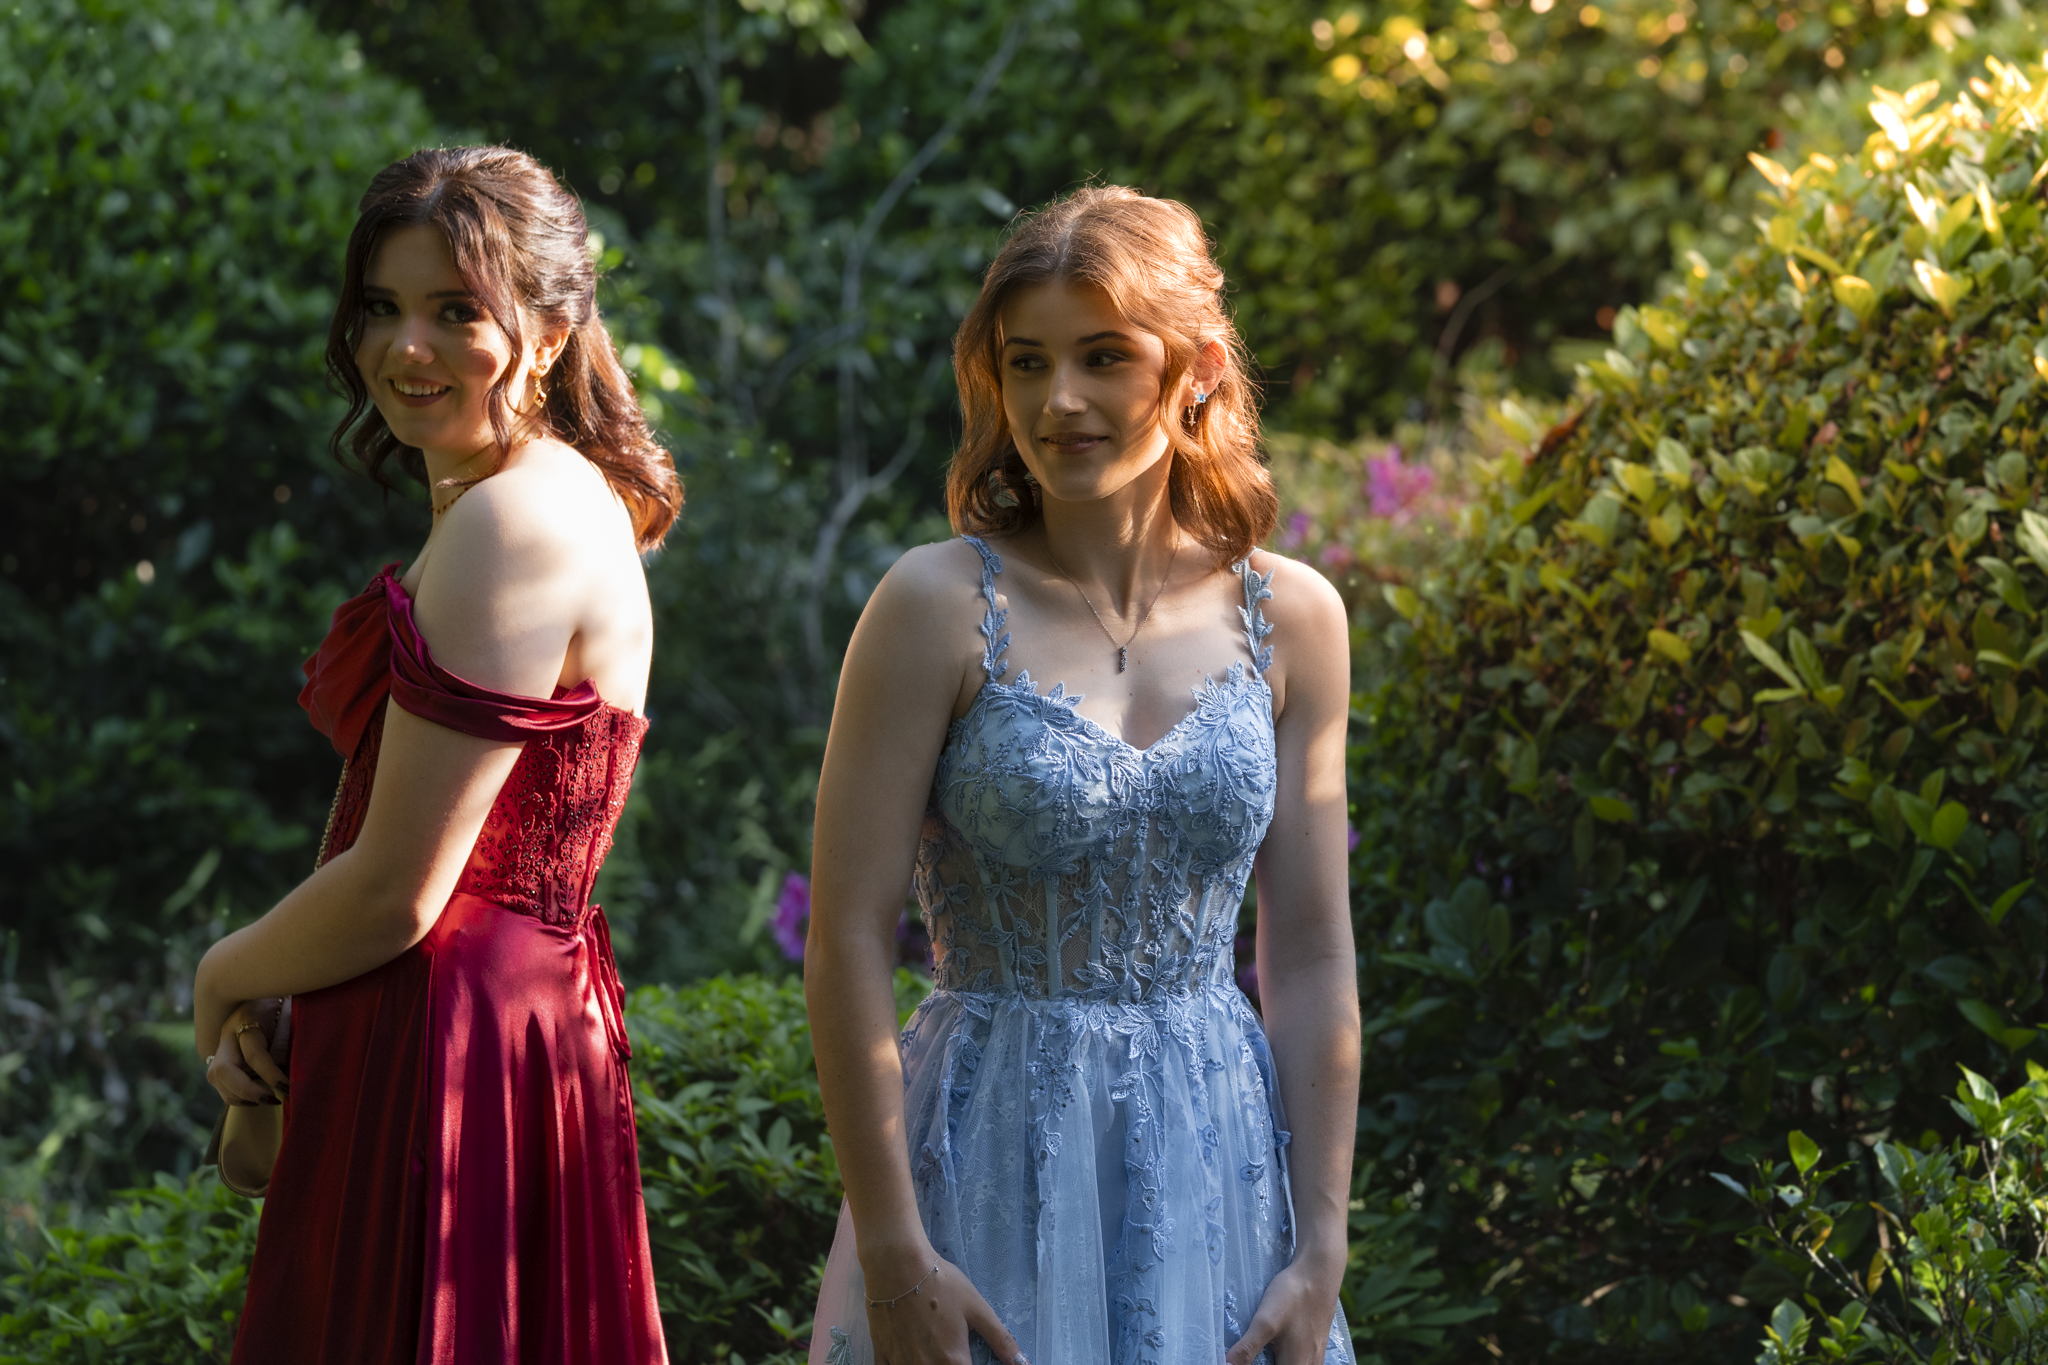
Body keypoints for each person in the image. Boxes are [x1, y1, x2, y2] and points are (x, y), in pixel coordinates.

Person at [804, 186, 1360, 1365]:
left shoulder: (1294, 620)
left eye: (1103, 358)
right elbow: (847, 936)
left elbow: (1307, 950)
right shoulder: (930, 606)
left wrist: (1319, 1252)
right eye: (1025, 363)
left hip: (1221, 1175)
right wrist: (897, 1253)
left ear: (1198, 367)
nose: (1058, 402)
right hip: (986, 1162)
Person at [190, 146, 679, 1364]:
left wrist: (221, 975)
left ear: (552, 332)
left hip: (451, 1049)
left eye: (456, 311)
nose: (405, 349)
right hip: (492, 1027)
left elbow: (400, 885)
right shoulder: (531, 498)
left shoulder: (513, 519)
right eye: (381, 308)